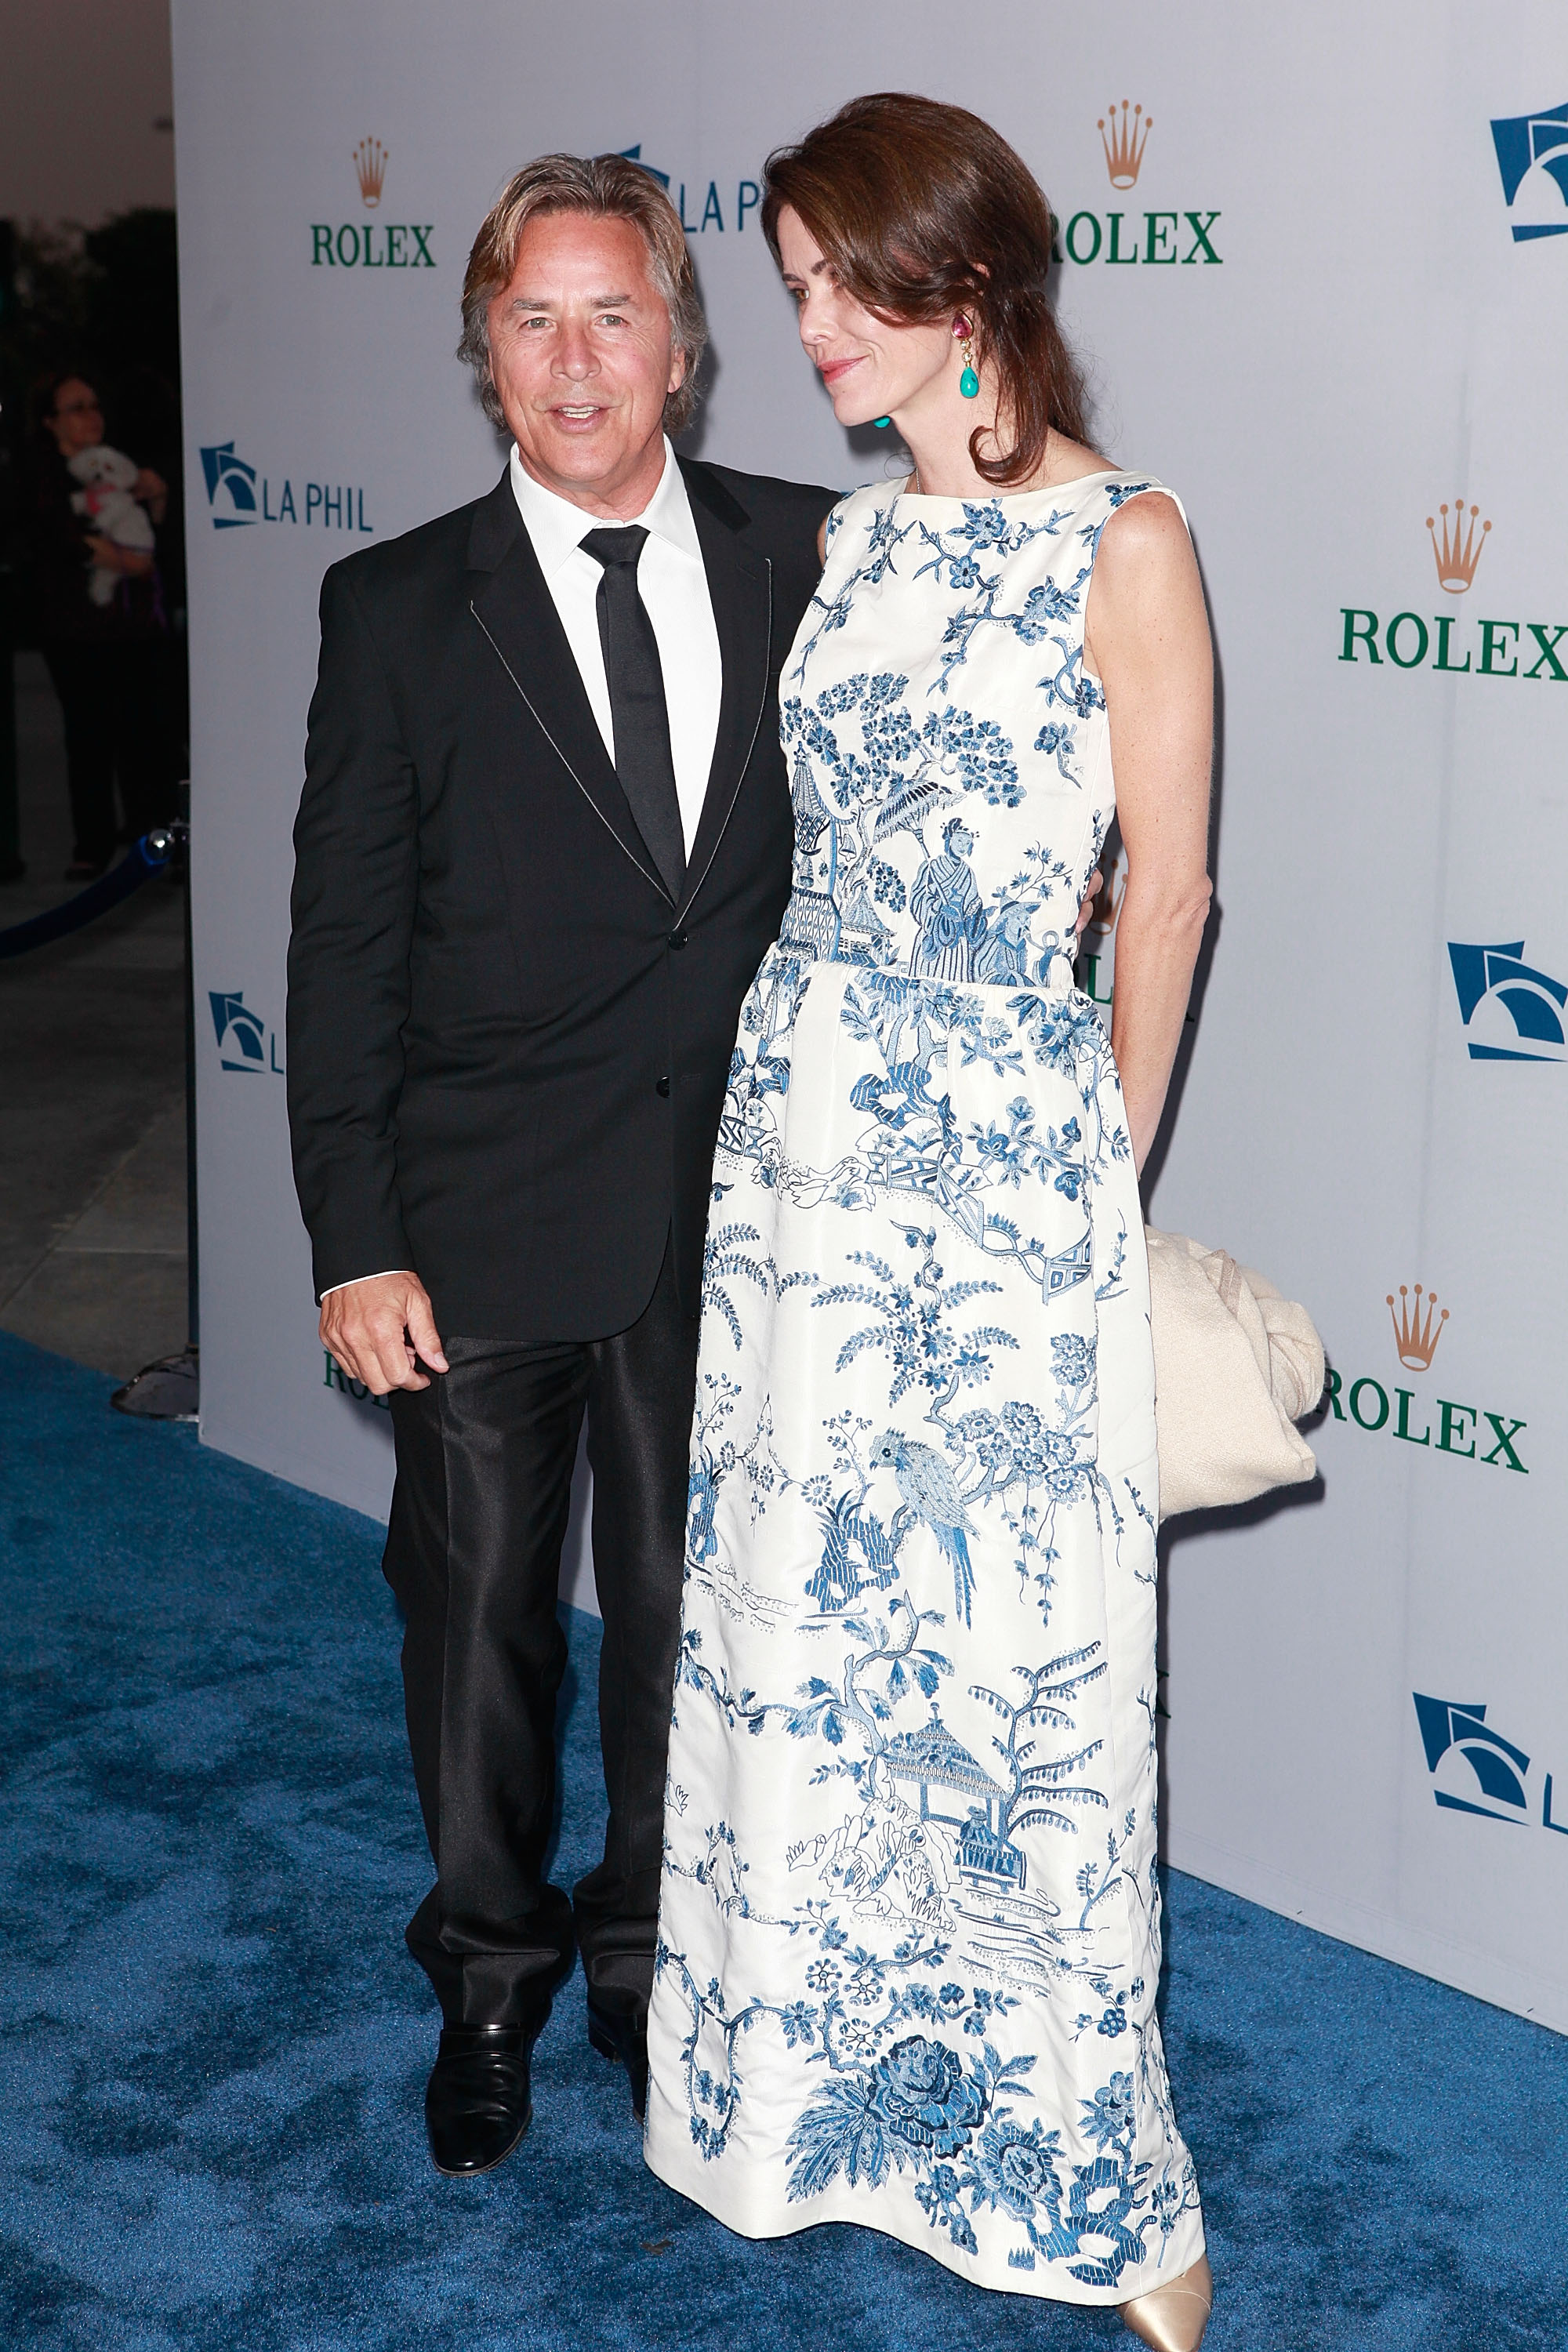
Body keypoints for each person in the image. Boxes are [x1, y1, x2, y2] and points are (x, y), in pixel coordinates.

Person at [644, 94, 1215, 2352]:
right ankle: (804, 2107)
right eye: (786, 285)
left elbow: (1160, 896)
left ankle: (1091, 2171)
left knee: (1019, 1659)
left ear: (962, 288)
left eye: (832, 285)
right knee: (808, 1628)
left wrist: (1102, 1165)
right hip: (806, 1135)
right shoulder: (846, 547)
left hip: (1003, 1140)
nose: (800, 330)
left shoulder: (1131, 542)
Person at [285, 154, 840, 2179]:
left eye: (616, 315)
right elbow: (339, 945)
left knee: (702, 1618)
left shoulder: (821, 558)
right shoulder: (398, 604)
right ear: (483, 355)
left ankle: (650, 1956)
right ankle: (495, 1965)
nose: (577, 358)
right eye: (536, 319)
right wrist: (357, 1238)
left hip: (749, 1216)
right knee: (482, 1618)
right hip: (484, 1213)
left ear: (682, 351)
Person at [24, 373, 171, 877]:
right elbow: (52, 538)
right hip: (75, 631)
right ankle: (91, 844)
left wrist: (156, 503)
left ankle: (153, 835)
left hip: (134, 627)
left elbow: (158, 544)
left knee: (145, 733)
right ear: (51, 422)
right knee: (88, 736)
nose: (91, 415)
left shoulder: (121, 467)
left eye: (94, 404)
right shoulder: (43, 476)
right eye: (76, 407)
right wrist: (128, 560)